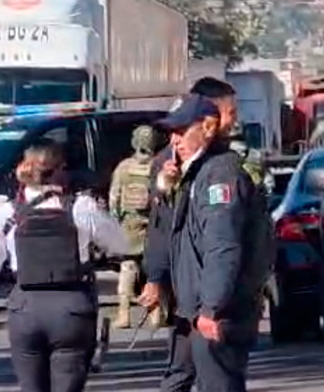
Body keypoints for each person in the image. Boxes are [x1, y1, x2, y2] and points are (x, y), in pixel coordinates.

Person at [0, 140, 129, 392]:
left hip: (25, 308)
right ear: (60, 170)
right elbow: (120, 243)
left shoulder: (7, 212)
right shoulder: (80, 207)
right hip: (72, 309)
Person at [149, 94, 262, 391]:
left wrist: (211, 308)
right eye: (171, 132)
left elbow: (222, 246)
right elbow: (173, 234)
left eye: (181, 130)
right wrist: (166, 189)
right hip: (194, 309)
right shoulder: (195, 173)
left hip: (216, 311)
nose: (174, 140)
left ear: (209, 128)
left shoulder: (220, 174)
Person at [140, 77, 243, 329]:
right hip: (194, 289)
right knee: (188, 361)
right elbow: (161, 224)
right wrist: (155, 277)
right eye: (230, 113)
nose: (233, 121)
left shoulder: (222, 158)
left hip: (214, 288)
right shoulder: (173, 164)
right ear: (210, 115)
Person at [108, 125, 160, 329]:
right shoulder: (158, 165)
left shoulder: (124, 167)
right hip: (154, 224)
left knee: (128, 268)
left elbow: (114, 198)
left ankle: (124, 314)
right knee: (153, 269)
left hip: (129, 224)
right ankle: (156, 314)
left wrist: (115, 220)